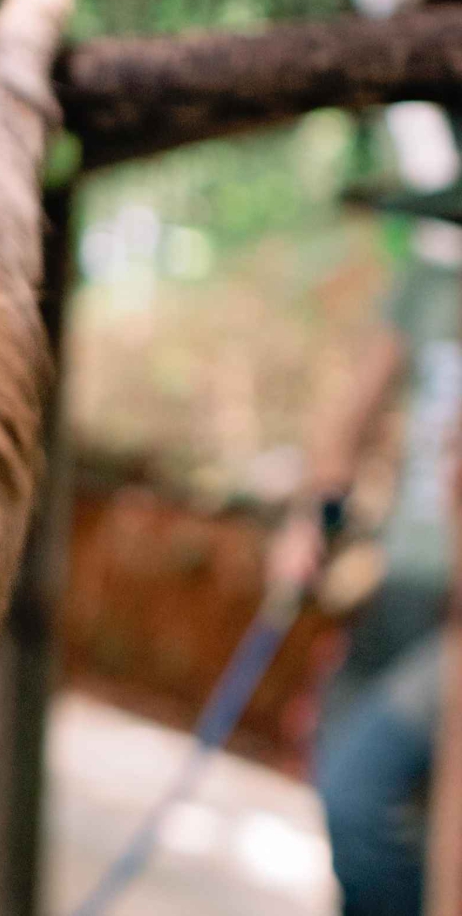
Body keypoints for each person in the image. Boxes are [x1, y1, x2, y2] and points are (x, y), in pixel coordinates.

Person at [268, 220, 462, 916]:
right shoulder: (432, 285)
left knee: (359, 797)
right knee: (342, 792)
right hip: (402, 585)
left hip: (455, 620)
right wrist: (311, 520)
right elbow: (355, 413)